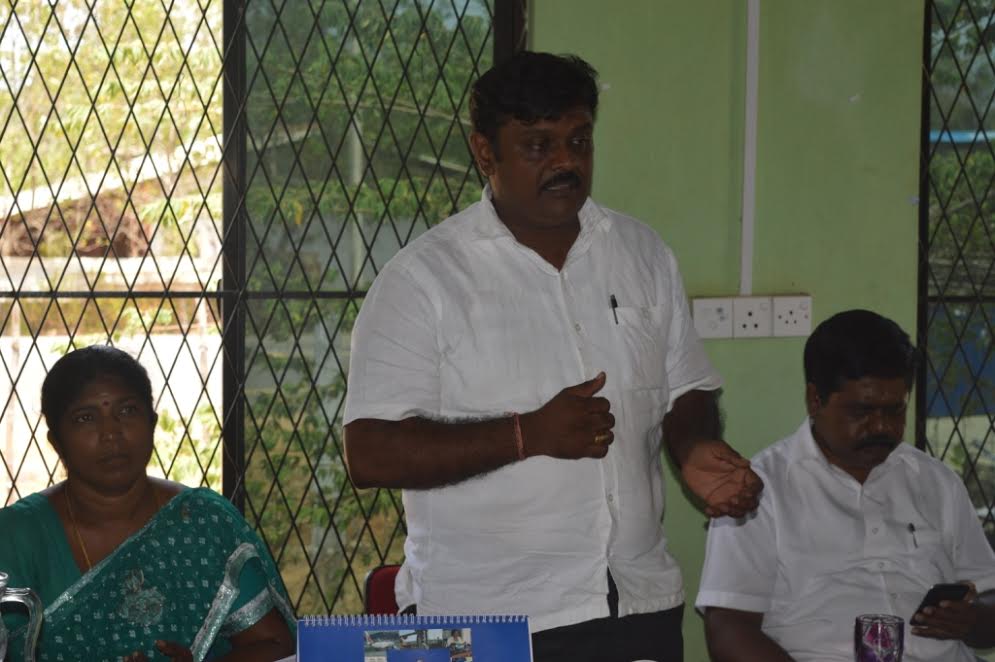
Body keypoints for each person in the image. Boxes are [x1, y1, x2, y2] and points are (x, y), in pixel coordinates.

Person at [343, 51, 762, 662]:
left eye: (579, 140)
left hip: (637, 604)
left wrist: (695, 447)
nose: (566, 161)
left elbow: (685, 390)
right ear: (485, 153)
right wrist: (527, 434)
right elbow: (369, 452)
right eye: (538, 145)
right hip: (484, 620)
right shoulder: (423, 280)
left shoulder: (642, 254)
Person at [696, 309, 995, 661]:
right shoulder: (757, 489)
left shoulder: (936, 481)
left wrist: (972, 619)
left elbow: (988, 591)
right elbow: (728, 628)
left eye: (894, 410)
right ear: (815, 399)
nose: (881, 427)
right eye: (862, 411)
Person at [0, 345, 296, 661]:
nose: (111, 433)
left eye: (127, 411)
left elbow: (276, 645)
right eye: (85, 418)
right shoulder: (16, 535)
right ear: (56, 441)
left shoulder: (199, 521)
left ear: (153, 423)